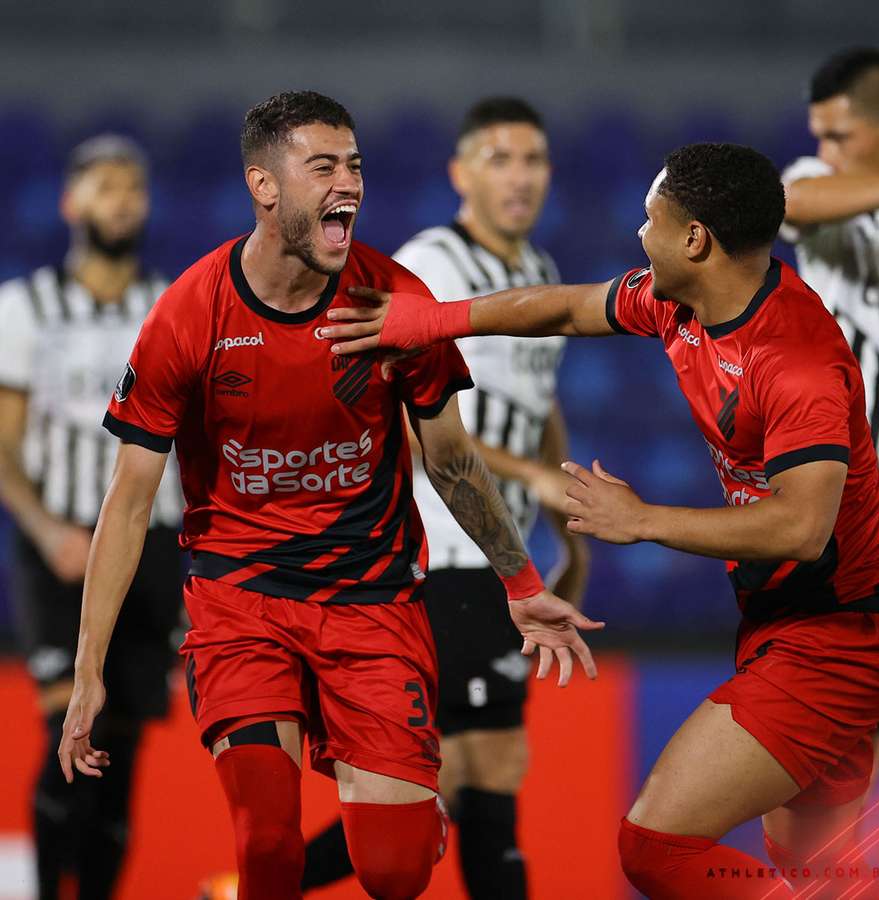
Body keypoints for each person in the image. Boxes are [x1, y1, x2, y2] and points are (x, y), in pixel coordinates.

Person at [55, 91, 600, 900]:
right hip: (241, 600)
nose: (348, 183)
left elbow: (449, 460)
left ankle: (415, 821)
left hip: (370, 602)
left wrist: (522, 583)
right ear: (265, 187)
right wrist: (88, 668)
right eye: (324, 167)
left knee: (394, 869)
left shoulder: (393, 299)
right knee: (269, 849)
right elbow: (129, 501)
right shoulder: (190, 314)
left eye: (354, 166)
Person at [323, 141, 879, 899]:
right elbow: (563, 307)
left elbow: (802, 529)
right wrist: (431, 321)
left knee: (655, 846)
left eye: (651, 217)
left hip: (834, 643)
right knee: (814, 873)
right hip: (784, 624)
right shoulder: (680, 300)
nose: (639, 232)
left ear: (695, 238)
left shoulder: (796, 362)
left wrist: (642, 518)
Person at [302, 97, 588, 900]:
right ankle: (263, 879)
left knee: (461, 783)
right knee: (476, 771)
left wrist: (557, 498)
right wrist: (524, 479)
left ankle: (257, 881)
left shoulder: (538, 272)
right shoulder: (430, 265)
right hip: (438, 546)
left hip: (501, 556)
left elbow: (542, 404)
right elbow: (395, 405)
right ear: (461, 173)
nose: (521, 176)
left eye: (533, 159)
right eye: (500, 159)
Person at [0, 136, 184, 899]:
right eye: (105, 186)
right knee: (65, 728)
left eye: (134, 186)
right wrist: (47, 531)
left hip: (154, 546)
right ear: (73, 203)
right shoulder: (25, 306)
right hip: (60, 546)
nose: (122, 200)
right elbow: (4, 446)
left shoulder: (173, 306)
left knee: (126, 744)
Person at [781, 47, 879, 779]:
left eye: (838, 136)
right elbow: (783, 202)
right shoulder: (822, 192)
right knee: (842, 739)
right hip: (861, 517)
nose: (824, 152)